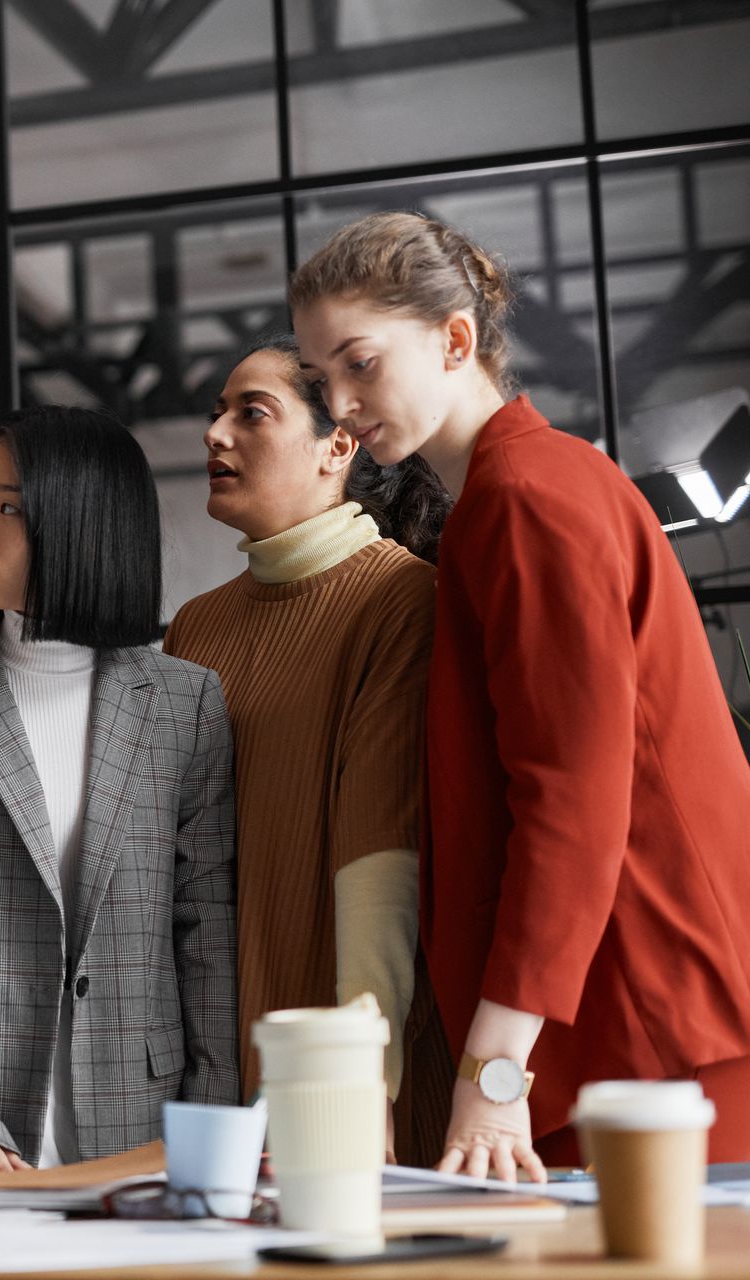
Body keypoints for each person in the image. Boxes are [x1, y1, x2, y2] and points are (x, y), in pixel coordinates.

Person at [291, 211, 750, 1179]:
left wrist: (496, 1072)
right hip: (635, 1012)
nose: (339, 401)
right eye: (321, 375)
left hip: (644, 1018)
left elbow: (573, 796)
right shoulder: (529, 485)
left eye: (359, 363)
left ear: (456, 338)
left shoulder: (525, 497)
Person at [0, 405, 239, 1176]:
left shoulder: (187, 703)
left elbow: (206, 932)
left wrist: (217, 1132)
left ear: (87, 521)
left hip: (148, 1132)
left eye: (10, 509)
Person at [163, 335, 454, 1166]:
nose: (216, 433)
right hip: (223, 1055)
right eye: (217, 412)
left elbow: (381, 862)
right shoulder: (197, 625)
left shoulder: (399, 601)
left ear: (338, 446)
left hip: (349, 1064)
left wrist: (362, 1081)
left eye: (251, 413)